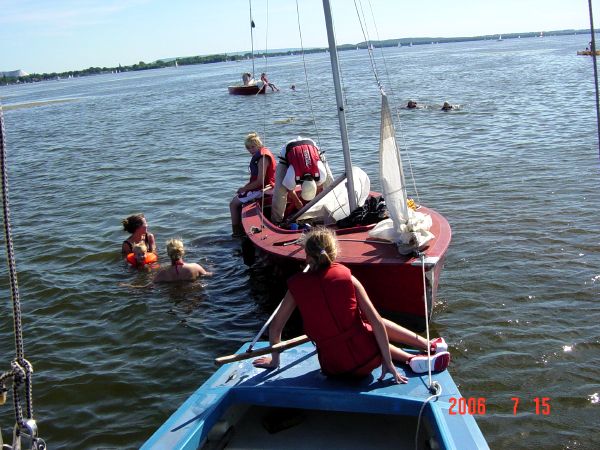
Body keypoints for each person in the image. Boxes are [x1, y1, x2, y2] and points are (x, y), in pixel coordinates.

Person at [253, 228, 450, 381]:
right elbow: (377, 323)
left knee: (354, 329)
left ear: (307, 257)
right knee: (369, 323)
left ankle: (415, 357)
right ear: (334, 252)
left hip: (333, 368)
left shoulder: (295, 286)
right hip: (368, 361)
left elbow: (276, 327)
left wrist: (274, 361)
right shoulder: (348, 277)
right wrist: (387, 363)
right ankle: (417, 353)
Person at [270, 137, 328, 225]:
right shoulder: (292, 174)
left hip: (311, 146)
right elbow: (290, 190)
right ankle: (276, 221)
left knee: (330, 184)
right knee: (280, 190)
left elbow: (320, 188)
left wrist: (314, 202)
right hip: (289, 150)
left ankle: (333, 212)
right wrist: (297, 202)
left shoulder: (322, 174)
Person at [229, 132, 276, 237]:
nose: (251, 150)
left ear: (259, 145)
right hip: (264, 186)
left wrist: (244, 189)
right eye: (248, 148)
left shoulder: (262, 158)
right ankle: (240, 224)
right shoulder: (261, 154)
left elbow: (260, 182)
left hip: (264, 188)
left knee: (233, 204)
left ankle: (236, 232)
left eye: (253, 147)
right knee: (240, 197)